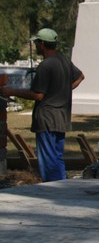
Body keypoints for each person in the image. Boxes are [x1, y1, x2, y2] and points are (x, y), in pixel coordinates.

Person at [0, 28, 84, 182]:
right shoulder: (63, 60)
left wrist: (11, 91)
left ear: (42, 43)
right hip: (61, 117)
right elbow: (80, 76)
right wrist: (63, 90)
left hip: (47, 118)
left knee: (47, 160)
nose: (36, 46)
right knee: (57, 157)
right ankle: (62, 188)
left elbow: (38, 95)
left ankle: (52, 190)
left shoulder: (46, 65)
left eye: (37, 43)